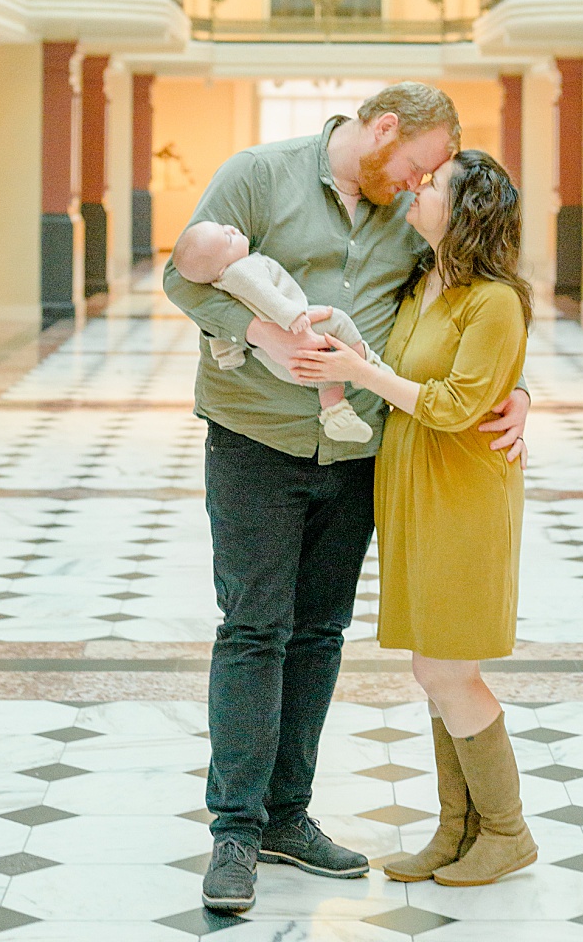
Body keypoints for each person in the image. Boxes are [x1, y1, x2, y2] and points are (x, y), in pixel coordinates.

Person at [162, 84, 533, 916]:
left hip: (359, 451)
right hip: (255, 438)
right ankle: (235, 828)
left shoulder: (412, 220)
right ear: (384, 129)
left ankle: (288, 815)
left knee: (320, 633)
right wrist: (257, 333)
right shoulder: (259, 175)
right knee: (255, 628)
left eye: (428, 178)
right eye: (415, 166)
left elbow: (467, 305)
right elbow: (183, 275)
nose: (416, 184)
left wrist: (519, 393)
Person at [296, 148, 536, 887]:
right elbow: (408, 369)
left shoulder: (494, 301)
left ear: (466, 211)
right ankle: (455, 832)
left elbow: (455, 404)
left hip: (463, 496)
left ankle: (506, 831)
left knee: (444, 665)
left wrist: (358, 373)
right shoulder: (423, 281)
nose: (419, 191)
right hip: (413, 492)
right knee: (435, 668)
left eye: (435, 186)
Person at [170, 219, 374, 443]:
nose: (231, 229)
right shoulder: (242, 270)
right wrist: (292, 316)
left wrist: (229, 356)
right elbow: (268, 296)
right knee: (337, 320)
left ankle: (336, 413)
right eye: (228, 238)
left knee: (323, 369)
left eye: (224, 228)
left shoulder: (220, 283)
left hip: (270, 359)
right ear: (221, 266)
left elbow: (221, 333)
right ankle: (368, 365)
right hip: (294, 325)